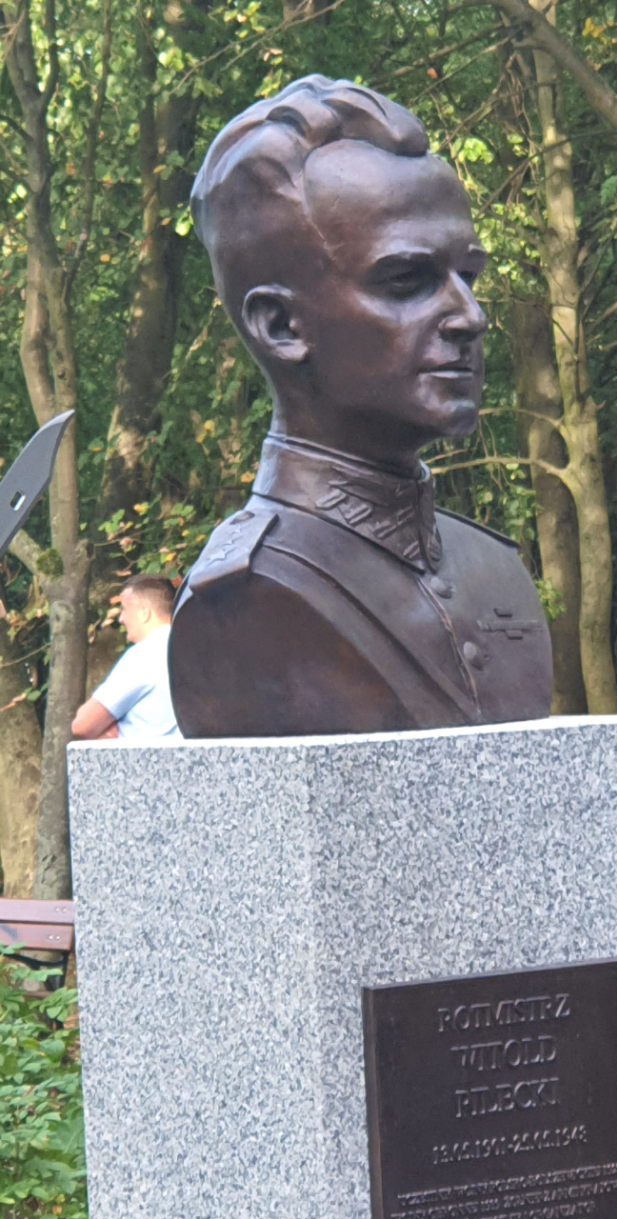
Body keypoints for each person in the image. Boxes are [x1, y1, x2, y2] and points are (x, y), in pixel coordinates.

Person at [167, 76, 552, 738]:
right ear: (282, 326)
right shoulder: (243, 604)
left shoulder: (495, 570)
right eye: (407, 281)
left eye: (468, 277)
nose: (471, 316)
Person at [72, 575, 179, 741]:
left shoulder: (144, 655)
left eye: (124, 609)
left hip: (143, 755)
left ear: (144, 613)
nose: (121, 618)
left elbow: (83, 725)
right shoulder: (193, 649)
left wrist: (115, 729)